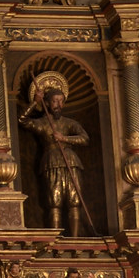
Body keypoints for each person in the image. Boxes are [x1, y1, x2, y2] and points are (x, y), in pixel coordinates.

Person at [20, 72, 90, 236]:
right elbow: (22, 120)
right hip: (51, 161)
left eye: (60, 101)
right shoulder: (43, 123)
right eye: (54, 101)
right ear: (47, 103)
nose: (58, 104)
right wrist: (34, 102)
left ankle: (75, 239)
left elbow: (85, 138)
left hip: (71, 160)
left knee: (74, 200)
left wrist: (64, 138)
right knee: (54, 201)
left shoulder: (70, 123)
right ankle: (55, 237)